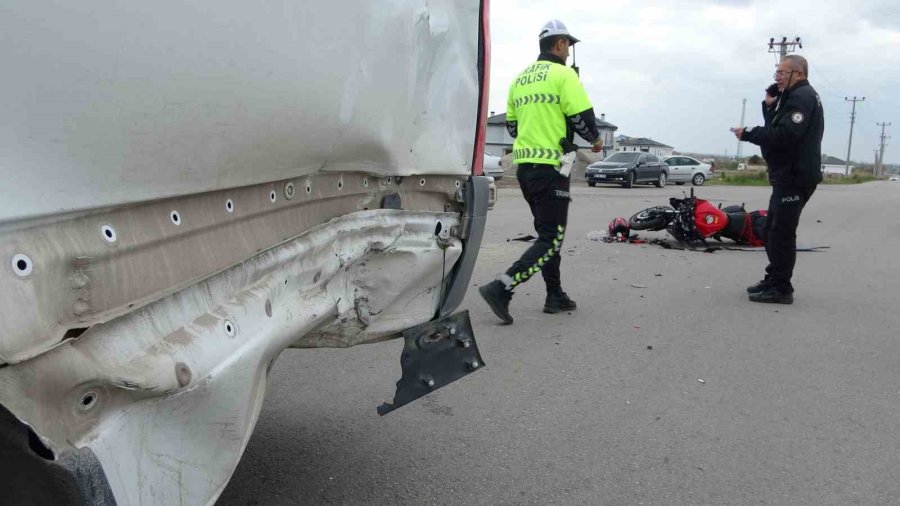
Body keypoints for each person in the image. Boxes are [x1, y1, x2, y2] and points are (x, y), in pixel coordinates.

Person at [479, 20, 603, 324]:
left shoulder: (519, 80)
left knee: (547, 235)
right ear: (559, 44)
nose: (569, 51)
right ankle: (502, 287)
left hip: (525, 171)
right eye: (568, 45)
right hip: (552, 170)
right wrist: (595, 140)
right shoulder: (564, 75)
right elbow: (582, 118)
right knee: (551, 237)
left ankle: (555, 295)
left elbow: (512, 127)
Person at [730, 54, 824, 304]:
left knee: (781, 232)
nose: (777, 77)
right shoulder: (792, 97)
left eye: (782, 73)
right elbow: (776, 127)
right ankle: (773, 279)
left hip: (796, 176)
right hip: (787, 175)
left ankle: (782, 288)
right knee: (771, 229)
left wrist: (749, 133)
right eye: (776, 73)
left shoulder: (802, 97)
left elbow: (785, 135)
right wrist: (770, 106)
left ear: (798, 74)